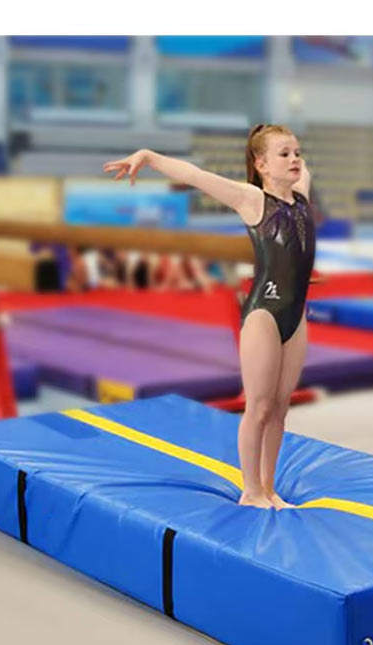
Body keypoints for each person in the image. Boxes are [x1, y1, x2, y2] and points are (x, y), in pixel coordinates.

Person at [104, 124, 314, 509]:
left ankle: (269, 489)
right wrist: (148, 157)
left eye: (297, 153)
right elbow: (196, 176)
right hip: (265, 315)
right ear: (261, 164)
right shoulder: (252, 199)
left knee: (280, 407)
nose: (295, 160)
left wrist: (284, 137)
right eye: (284, 154)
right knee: (259, 406)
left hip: (296, 314)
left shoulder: (301, 193)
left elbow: (295, 163)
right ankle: (251, 490)